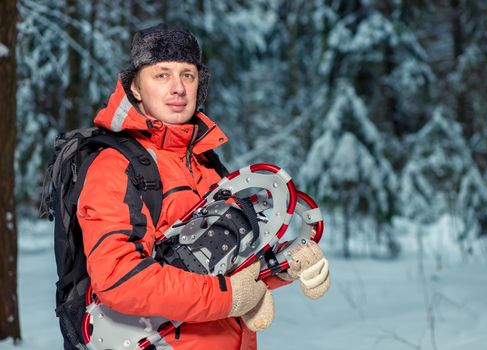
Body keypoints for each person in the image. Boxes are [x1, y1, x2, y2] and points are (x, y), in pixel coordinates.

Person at [77, 23, 330, 350]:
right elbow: (120, 279)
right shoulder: (115, 166)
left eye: (188, 74)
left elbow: (225, 266)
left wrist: (284, 270)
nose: (178, 87)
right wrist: (227, 298)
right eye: (161, 74)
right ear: (136, 88)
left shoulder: (207, 165)